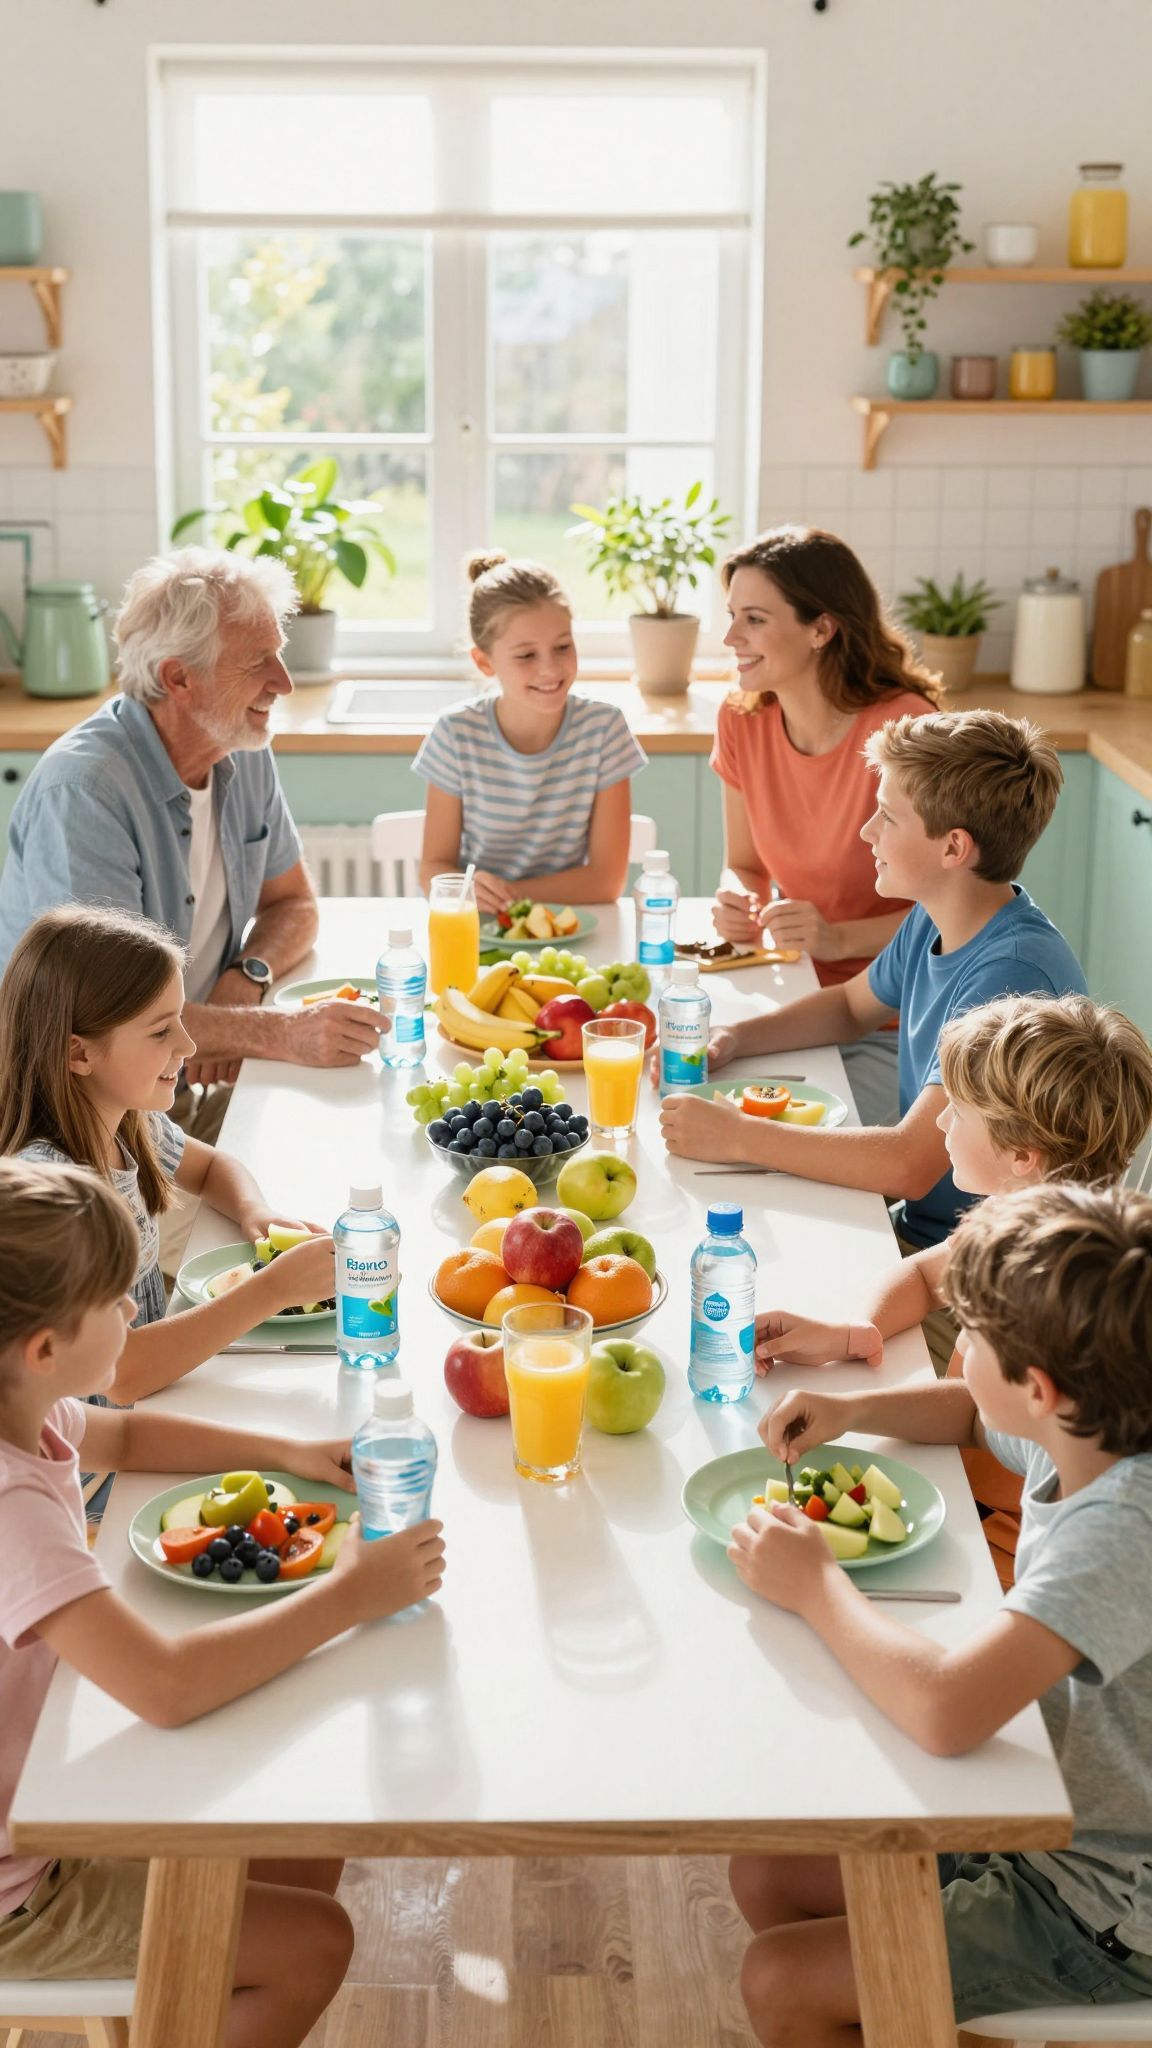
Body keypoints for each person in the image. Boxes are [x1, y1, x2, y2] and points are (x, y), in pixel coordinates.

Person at [0, 1156, 445, 2048]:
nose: (134, 1314)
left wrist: (287, 1454)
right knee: (311, 1946)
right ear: (45, 1349)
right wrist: (351, 1595)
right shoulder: (11, 1503)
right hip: (21, 1892)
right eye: (116, 1302)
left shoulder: (27, 1410)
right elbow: (165, 1686)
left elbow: (128, 1438)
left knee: (307, 1827)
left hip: (47, 1775)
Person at [729, 1180, 1152, 2045]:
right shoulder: (1093, 1428)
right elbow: (970, 1414)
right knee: (767, 1873)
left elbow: (947, 1709)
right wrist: (851, 1409)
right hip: (1045, 1815)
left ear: (1039, 1388)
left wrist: (818, 1586)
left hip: (1107, 1905)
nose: (961, 1350)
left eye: (976, 1337)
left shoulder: (1122, 1531)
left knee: (780, 1982)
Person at [660, 711, 1088, 1340]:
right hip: (926, 1241)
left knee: (745, 1314)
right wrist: (733, 1039)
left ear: (953, 848)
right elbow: (849, 1007)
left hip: (985, 1286)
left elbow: (911, 1163)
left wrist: (738, 1136)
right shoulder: (936, 915)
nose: (867, 831)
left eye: (887, 816)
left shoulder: (1010, 976)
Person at [754, 992, 1152, 1583]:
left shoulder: (1061, 1280)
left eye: (958, 1112)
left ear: (1022, 1155)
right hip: (957, 1478)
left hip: (1001, 1538)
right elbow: (924, 1277)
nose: (939, 1121)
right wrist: (856, 1332)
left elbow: (979, 1418)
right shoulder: (1015, 1220)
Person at [0, 548, 389, 1099]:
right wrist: (278, 1033)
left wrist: (246, 977)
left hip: (180, 1080)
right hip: (85, 1111)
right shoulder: (84, 792)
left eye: (278, 654)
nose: (283, 682)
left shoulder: (241, 747)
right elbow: (108, 1023)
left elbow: (294, 904)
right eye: (257, 662)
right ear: (178, 678)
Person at [0, 907, 337, 1510]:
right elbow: (123, 1372)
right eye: (161, 1032)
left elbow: (211, 1167)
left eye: (181, 1020)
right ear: (79, 1053)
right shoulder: (59, 1190)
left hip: (151, 1410)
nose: (188, 1045)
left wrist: (255, 1213)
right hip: (96, 1487)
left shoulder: (124, 1120)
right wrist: (273, 1289)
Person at [710, 526, 940, 1125]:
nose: (731, 637)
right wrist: (739, 897)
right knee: (687, 1094)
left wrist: (838, 939)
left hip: (898, 1020)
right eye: (732, 616)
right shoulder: (741, 721)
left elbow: (955, 909)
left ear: (821, 628)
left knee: (775, 1144)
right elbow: (746, 864)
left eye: (754, 619)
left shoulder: (907, 731)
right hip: (798, 997)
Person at [415, 551, 647, 914]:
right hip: (481, 927)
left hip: (568, 926)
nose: (550, 669)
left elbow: (606, 882)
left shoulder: (604, 730)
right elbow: (433, 868)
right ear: (484, 662)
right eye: (526, 656)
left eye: (563, 647)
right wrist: (468, 889)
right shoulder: (455, 734)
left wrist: (508, 897)